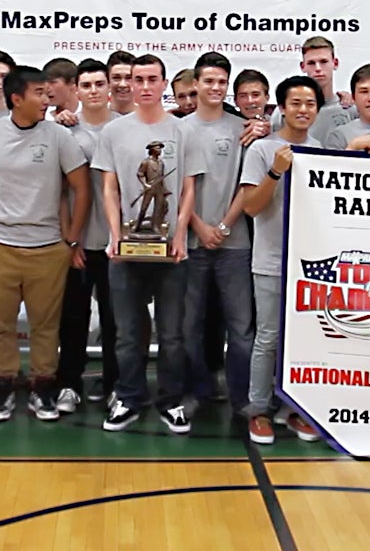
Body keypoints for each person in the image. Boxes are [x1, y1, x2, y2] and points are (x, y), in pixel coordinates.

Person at [94, 54, 205, 433]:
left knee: (172, 334)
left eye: (151, 79)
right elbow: (109, 186)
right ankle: (128, 396)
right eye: (137, 79)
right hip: (127, 251)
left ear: (162, 84)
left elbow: (189, 187)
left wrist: (179, 234)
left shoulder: (184, 131)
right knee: (127, 333)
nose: (143, 86)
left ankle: (171, 400)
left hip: (171, 252)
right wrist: (114, 235)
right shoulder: (114, 132)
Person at [0, 66, 90, 422]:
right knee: (1, 322)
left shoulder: (59, 137)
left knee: (45, 324)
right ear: (16, 99)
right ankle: (3, 388)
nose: (46, 99)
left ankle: (43, 389)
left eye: (47, 92)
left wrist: (71, 237)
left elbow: (81, 187)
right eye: (39, 93)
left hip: (47, 246)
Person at [240, 75, 324, 445]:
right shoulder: (262, 150)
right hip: (272, 260)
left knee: (306, 338)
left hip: (313, 263)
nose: (303, 110)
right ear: (282, 108)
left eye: (309, 104)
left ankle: (298, 408)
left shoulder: (321, 149)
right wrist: (276, 171)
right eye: (296, 103)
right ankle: (259, 410)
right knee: (269, 337)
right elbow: (251, 206)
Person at [181, 52, 254, 411]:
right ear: (195, 84)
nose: (215, 87)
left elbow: (249, 184)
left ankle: (243, 398)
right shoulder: (177, 129)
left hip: (235, 244)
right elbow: (174, 189)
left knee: (240, 330)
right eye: (208, 81)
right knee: (188, 326)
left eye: (221, 82)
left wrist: (223, 226)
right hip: (191, 244)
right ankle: (198, 390)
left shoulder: (241, 128)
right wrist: (198, 225)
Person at [56, 59, 122, 405]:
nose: (94, 91)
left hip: (116, 243)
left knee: (116, 321)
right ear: (76, 90)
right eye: (87, 85)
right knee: (73, 318)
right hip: (79, 242)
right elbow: (59, 192)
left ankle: (114, 386)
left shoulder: (127, 129)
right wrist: (71, 238)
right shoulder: (64, 131)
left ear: (110, 88)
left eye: (100, 84)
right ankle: (68, 383)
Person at [270, 37, 355, 144]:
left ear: (335, 63)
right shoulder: (282, 112)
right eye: (311, 63)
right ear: (303, 66)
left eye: (323, 61)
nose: (318, 68)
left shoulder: (350, 108)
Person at [107, 50, 137, 115]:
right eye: (116, 78)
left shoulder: (151, 118)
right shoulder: (96, 118)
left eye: (129, 78)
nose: (123, 84)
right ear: (108, 81)